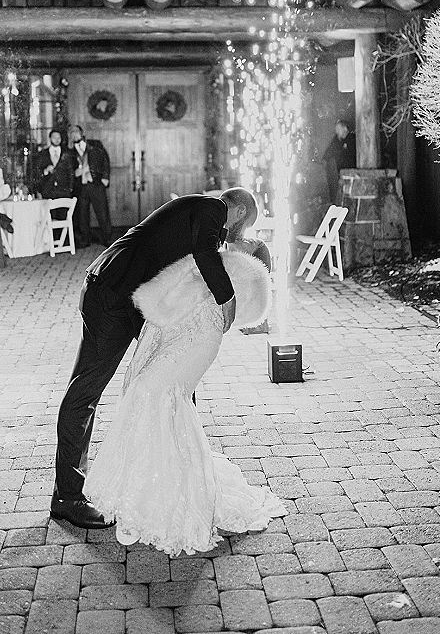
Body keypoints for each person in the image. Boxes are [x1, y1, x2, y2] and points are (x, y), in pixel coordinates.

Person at [51, 187, 259, 530]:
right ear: (238, 211)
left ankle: (175, 476)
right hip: (112, 294)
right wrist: (229, 299)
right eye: (244, 223)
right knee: (85, 392)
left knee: (172, 378)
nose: (238, 231)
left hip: (129, 297)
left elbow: (199, 257)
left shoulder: (196, 215)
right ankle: (67, 497)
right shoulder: (212, 207)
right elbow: (205, 253)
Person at [84, 242, 286, 555]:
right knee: (148, 395)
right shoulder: (212, 245)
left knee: (154, 392)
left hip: (202, 333)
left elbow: (231, 300)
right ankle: (145, 492)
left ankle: (167, 501)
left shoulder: (249, 256)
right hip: (180, 326)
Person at [70, 125, 112, 248]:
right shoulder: (70, 151)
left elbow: (105, 160)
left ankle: (108, 238)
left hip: (96, 184)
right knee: (82, 215)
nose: (74, 135)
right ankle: (85, 239)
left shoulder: (95, 144)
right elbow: (68, 169)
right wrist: (74, 173)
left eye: (76, 132)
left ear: (82, 133)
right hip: (81, 186)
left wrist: (105, 178)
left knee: (102, 213)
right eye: (71, 133)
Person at [322, 119, 356, 201]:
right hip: (342, 172)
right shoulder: (337, 139)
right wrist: (325, 159)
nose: (337, 132)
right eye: (336, 130)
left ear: (345, 128)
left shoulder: (352, 138)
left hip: (352, 171)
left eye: (339, 129)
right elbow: (330, 149)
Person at [35, 129, 74, 201]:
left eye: (58, 138)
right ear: (50, 138)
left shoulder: (67, 153)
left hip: (64, 192)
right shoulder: (42, 154)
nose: (57, 140)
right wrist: (46, 171)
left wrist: (70, 189)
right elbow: (37, 172)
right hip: (47, 191)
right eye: (54, 137)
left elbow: (71, 172)